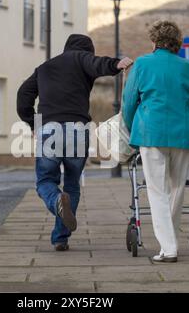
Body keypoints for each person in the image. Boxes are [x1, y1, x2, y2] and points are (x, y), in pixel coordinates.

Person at [17, 34, 133, 251]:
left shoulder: (44, 67)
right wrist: (116, 64)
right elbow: (97, 64)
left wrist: (33, 122)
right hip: (77, 130)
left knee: (45, 181)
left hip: (48, 129)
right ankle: (61, 237)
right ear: (86, 51)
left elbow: (24, 94)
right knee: (72, 184)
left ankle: (55, 202)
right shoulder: (82, 59)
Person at [122, 21, 189, 263]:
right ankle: (170, 241)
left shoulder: (142, 64)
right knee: (177, 188)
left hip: (151, 134)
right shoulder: (188, 67)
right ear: (177, 43)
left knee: (157, 191)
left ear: (154, 42)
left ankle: (169, 247)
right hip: (184, 135)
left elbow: (129, 101)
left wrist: (133, 130)